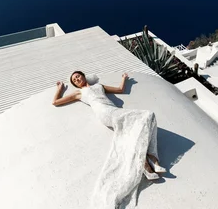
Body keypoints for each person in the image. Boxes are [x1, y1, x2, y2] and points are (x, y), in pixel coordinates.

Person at [53, 71, 166, 208]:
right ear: (74, 84)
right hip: (104, 113)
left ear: (83, 76)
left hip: (113, 109)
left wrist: (124, 79)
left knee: (140, 127)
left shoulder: (99, 86)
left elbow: (120, 90)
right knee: (147, 115)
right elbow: (55, 102)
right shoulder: (79, 93)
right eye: (74, 80)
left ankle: (148, 164)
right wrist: (59, 89)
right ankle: (151, 161)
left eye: (78, 76)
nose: (77, 79)